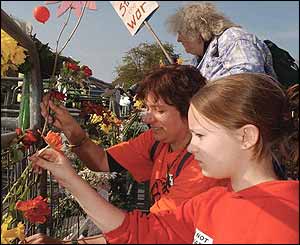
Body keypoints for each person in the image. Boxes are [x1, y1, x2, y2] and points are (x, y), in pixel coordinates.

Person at [26, 72, 299, 244]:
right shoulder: (211, 204)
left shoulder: (284, 222)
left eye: (201, 136)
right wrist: (70, 175)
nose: (193, 147)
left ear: (245, 137)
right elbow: (144, 233)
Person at [166, 2, 277, 81]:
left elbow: (248, 80)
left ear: (196, 30)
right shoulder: (198, 60)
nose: (178, 39)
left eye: (180, 32)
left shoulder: (235, 39)